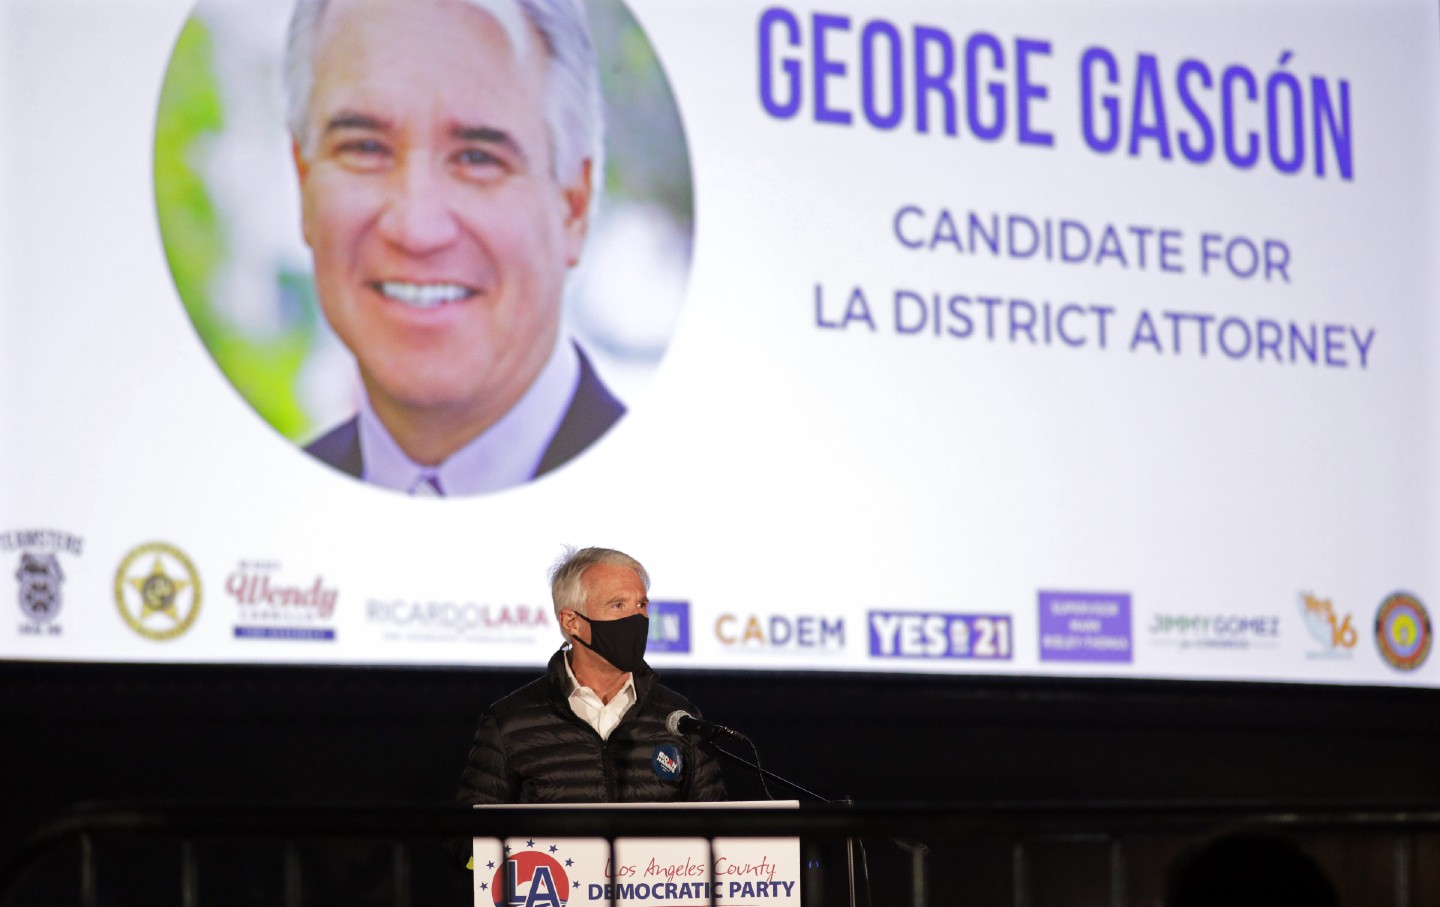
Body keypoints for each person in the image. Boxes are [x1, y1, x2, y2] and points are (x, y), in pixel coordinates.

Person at [282, 0, 623, 496]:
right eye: (365, 148)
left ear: (574, 206)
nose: (416, 228)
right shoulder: (248, 518)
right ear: (303, 181)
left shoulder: (695, 517)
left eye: (477, 158)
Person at [457, 547, 726, 807]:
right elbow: (470, 838)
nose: (637, 618)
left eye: (641, 605)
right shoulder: (510, 721)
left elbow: (717, 832)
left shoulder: (679, 718)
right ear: (571, 621)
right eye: (618, 605)